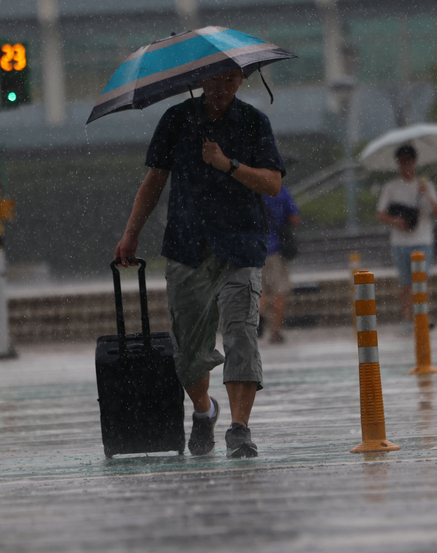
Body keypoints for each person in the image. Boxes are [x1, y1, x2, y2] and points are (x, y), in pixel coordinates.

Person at [114, 69, 286, 458]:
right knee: (189, 349)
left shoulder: (254, 122)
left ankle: (240, 429)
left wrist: (227, 164)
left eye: (228, 80)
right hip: (186, 246)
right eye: (212, 80)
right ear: (199, 80)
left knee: (241, 333)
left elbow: (273, 183)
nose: (220, 88)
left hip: (241, 246)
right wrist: (131, 233)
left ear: (241, 79)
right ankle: (204, 411)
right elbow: (155, 179)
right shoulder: (176, 120)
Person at [376, 144, 437, 330]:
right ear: (397, 163)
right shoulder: (391, 187)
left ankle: (423, 313)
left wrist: (425, 193)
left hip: (422, 238)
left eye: (409, 160)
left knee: (422, 279)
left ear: (414, 161)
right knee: (405, 282)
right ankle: (407, 317)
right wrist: (395, 221)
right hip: (400, 241)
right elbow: (380, 213)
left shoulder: (426, 184)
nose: (405, 164)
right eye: (402, 161)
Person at [259, 186, 299, 344]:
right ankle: (275, 331)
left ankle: (258, 317)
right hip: (275, 249)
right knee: (279, 291)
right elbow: (294, 219)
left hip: (256, 248)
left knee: (260, 290)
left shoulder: (253, 191)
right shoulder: (281, 192)